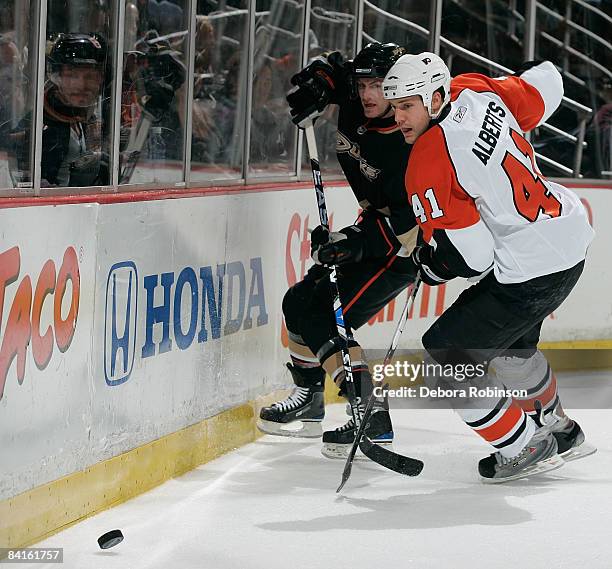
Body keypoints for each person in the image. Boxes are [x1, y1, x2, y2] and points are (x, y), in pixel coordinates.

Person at [381, 53, 596, 482]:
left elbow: (473, 256)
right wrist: (539, 65)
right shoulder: (472, 88)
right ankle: (562, 430)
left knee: (447, 356)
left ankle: (522, 446)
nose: (398, 117)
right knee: (515, 350)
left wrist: (434, 263)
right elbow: (543, 89)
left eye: (408, 105)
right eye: (395, 106)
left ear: (436, 96)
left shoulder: (427, 159)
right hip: (569, 239)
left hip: (530, 267)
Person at [257, 43, 419, 459]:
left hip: (403, 249)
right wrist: (321, 81)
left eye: (379, 86)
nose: (367, 94)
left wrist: (353, 244)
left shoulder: (412, 143)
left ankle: (372, 412)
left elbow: (411, 227)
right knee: (298, 301)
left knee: (325, 316)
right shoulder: (358, 96)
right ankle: (309, 402)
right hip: (372, 225)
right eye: (363, 84)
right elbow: (334, 70)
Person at [9, 33, 110, 187]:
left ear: (101, 79)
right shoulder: (40, 128)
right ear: (56, 76)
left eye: (90, 76)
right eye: (72, 75)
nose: (81, 85)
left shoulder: (85, 116)